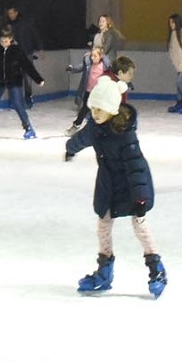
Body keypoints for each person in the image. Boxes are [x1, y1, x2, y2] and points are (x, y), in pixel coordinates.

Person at [65, 76, 165, 297]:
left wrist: (141, 199)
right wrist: (70, 148)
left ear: (112, 109)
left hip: (131, 186)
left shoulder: (125, 135)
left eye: (101, 109)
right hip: (108, 185)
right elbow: (81, 138)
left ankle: (156, 269)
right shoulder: (94, 127)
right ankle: (104, 271)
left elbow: (137, 167)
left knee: (140, 226)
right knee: (103, 225)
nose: (95, 113)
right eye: (93, 109)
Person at [67, 37, 114, 132]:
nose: (93, 58)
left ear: (101, 56)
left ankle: (107, 129)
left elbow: (113, 74)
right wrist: (72, 69)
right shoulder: (89, 64)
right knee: (84, 109)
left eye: (95, 56)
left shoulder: (105, 66)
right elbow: (80, 68)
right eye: (92, 56)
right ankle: (76, 125)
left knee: (102, 110)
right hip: (89, 91)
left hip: (100, 92)